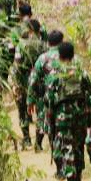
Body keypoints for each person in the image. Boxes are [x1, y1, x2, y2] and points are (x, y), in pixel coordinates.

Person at [45, 42, 91, 181]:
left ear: (59, 57)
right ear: (73, 55)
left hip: (63, 119)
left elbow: (49, 100)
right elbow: (90, 98)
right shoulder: (82, 73)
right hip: (80, 117)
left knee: (66, 149)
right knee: (78, 148)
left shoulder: (55, 74)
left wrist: (49, 122)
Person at [28, 30, 63, 158]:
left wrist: (30, 100)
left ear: (48, 42)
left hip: (46, 98)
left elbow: (33, 80)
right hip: (65, 98)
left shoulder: (42, 58)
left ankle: (43, 147)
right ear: (62, 41)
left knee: (44, 121)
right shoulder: (67, 57)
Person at [13, 19, 45, 150]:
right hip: (40, 84)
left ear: (30, 30)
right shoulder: (44, 45)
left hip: (23, 81)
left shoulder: (21, 45)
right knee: (41, 112)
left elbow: (17, 64)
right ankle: (38, 143)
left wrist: (15, 83)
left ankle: (27, 140)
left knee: (23, 111)